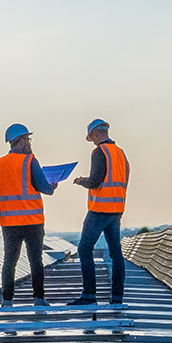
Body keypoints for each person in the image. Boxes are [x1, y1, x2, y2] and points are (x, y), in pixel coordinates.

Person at [0, 123, 57, 306]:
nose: (29, 142)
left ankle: (7, 301)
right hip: (32, 220)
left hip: (9, 222)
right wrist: (52, 185)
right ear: (20, 141)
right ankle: (38, 298)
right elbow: (45, 189)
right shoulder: (30, 161)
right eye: (27, 139)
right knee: (35, 260)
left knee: (9, 260)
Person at [68, 118, 129, 305]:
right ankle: (117, 297)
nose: (92, 141)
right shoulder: (120, 153)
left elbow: (95, 181)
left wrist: (80, 181)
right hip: (116, 209)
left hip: (100, 209)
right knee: (115, 252)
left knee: (84, 248)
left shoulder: (99, 152)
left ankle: (89, 295)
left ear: (95, 133)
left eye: (91, 137)